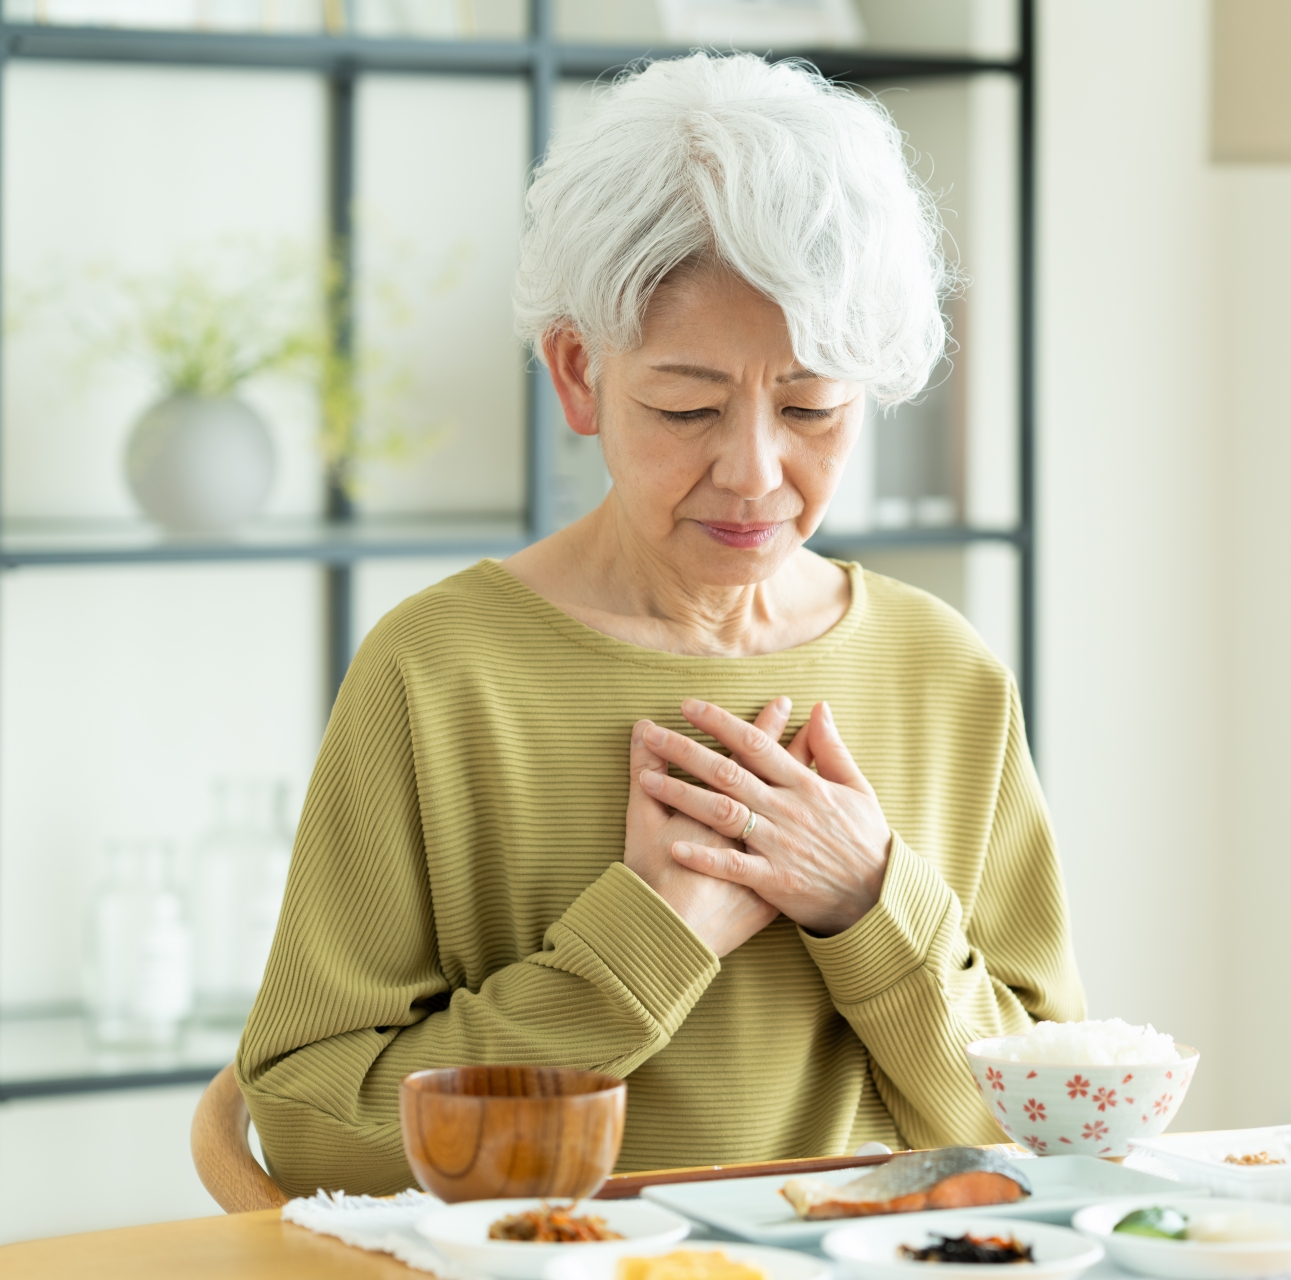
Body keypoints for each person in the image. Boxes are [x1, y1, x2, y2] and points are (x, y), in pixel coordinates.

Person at [236, 52, 1084, 1196]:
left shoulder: (945, 673)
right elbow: (306, 1126)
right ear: (579, 374)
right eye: (686, 405)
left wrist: (869, 901)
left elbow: (1057, 1118)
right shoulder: (437, 672)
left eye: (811, 407)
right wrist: (643, 943)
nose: (753, 472)